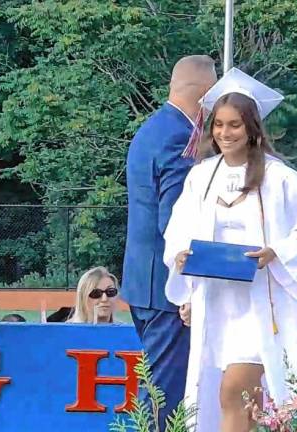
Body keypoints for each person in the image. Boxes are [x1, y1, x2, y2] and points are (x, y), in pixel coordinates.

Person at [163, 68, 297, 432]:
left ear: (252, 129)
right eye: (218, 125)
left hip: (264, 305)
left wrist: (275, 251)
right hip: (218, 304)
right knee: (229, 397)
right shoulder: (201, 176)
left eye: (234, 125)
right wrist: (182, 257)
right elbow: (179, 230)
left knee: (235, 390)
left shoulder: (280, 179)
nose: (224, 133)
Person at [121, 54, 217, 428]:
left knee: (157, 386)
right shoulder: (180, 137)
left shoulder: (152, 129)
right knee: (165, 392)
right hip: (166, 290)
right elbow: (174, 222)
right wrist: (189, 287)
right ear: (206, 95)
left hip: (143, 284)